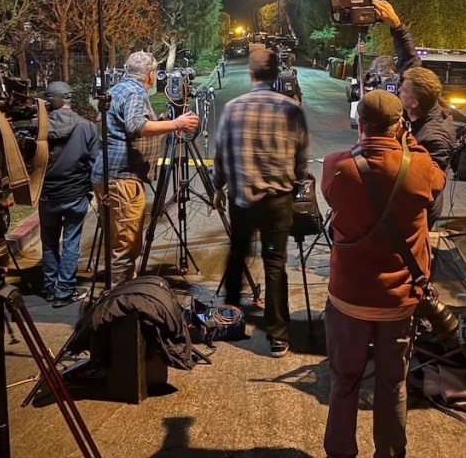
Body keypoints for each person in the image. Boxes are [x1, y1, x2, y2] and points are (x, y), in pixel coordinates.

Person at [321, 90, 446, 458]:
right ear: (399, 126)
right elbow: (437, 181)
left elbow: (334, 195)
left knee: (344, 381)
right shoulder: (419, 167)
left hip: (349, 297)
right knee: (393, 384)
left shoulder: (337, 165)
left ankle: (340, 451)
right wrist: (410, 143)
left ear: (359, 124)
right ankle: (390, 453)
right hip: (399, 298)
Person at [213, 48, 309, 358]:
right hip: (278, 202)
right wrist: (293, 186)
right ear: (276, 73)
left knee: (238, 255)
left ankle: (229, 320)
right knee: (275, 263)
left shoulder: (233, 108)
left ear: (251, 74)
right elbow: (301, 158)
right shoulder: (292, 108)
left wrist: (219, 186)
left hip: (243, 199)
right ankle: (278, 335)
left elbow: (222, 153)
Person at [91, 51, 198, 286]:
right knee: (126, 246)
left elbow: (129, 122)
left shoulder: (119, 88)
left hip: (109, 175)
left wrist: (160, 122)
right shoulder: (135, 91)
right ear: (150, 74)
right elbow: (136, 125)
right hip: (123, 178)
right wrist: (176, 123)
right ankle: (121, 301)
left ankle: (119, 293)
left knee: (117, 239)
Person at [40, 81, 99, 307]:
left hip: (48, 195)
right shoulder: (87, 127)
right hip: (75, 194)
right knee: (71, 241)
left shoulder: (40, 128)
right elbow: (94, 162)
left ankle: (49, 285)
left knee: (49, 242)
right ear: (69, 99)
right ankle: (64, 289)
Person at [397, 66, 455, 226]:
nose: (399, 89)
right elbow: (409, 60)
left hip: (420, 211)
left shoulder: (434, 138)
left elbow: (428, 183)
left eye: (404, 90)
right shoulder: (427, 109)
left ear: (415, 102)